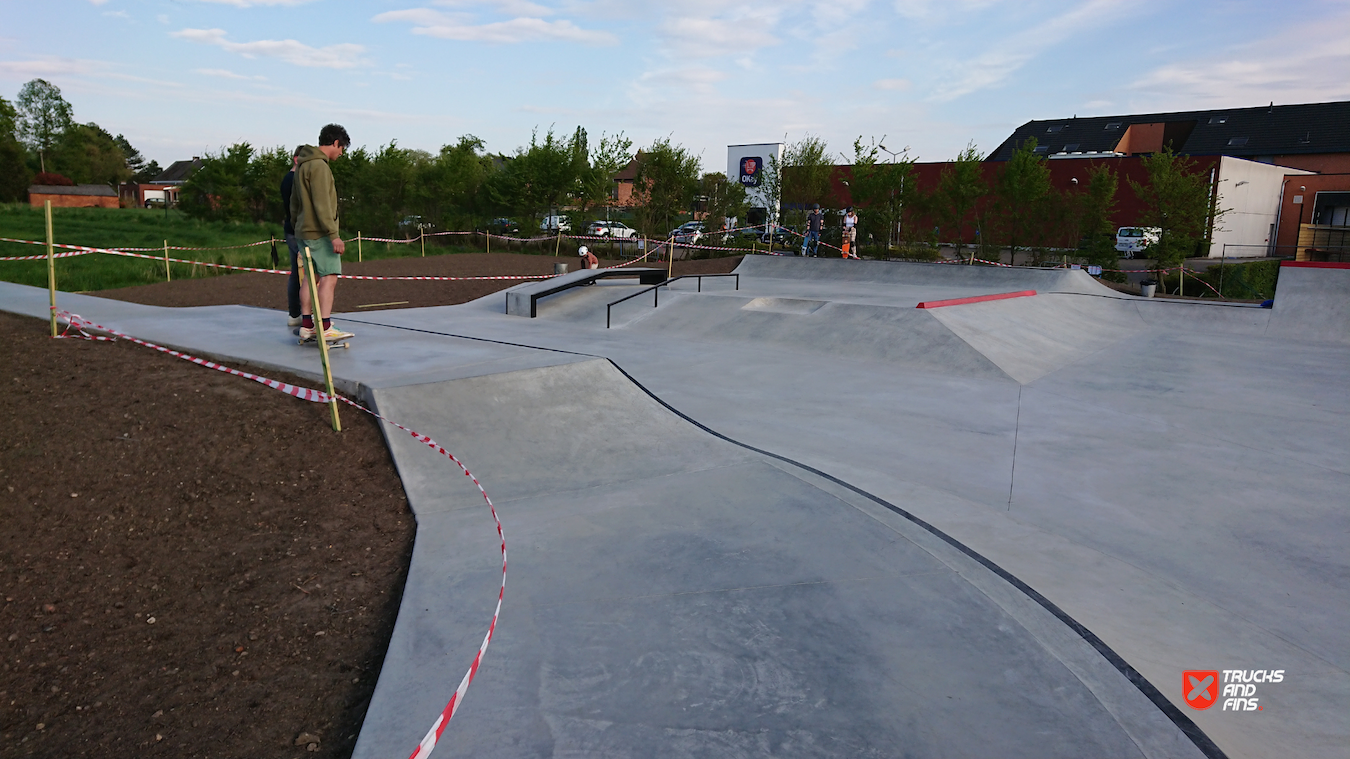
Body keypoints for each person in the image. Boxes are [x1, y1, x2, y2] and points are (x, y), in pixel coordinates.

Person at [291, 124, 353, 343]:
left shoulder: (302, 165)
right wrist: (333, 235)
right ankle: (325, 327)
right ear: (335, 143)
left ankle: (307, 325)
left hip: (303, 231)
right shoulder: (320, 166)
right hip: (320, 233)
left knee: (311, 277)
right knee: (329, 276)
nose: (341, 153)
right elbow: (322, 204)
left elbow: (294, 203)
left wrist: (297, 226)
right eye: (342, 148)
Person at [279, 146, 303, 328]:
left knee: (296, 273)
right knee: (303, 272)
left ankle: (295, 313)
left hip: (292, 229)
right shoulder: (294, 180)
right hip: (297, 231)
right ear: (296, 159)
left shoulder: (288, 179)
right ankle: (302, 314)